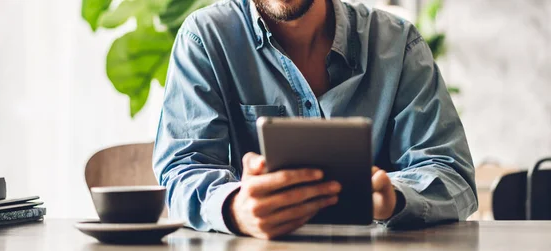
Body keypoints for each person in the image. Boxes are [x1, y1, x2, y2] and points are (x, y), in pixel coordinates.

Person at [153, 0, 478, 239]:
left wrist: (395, 198)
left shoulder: (397, 43)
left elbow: (452, 173)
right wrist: (234, 208)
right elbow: (180, 172)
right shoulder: (205, 38)